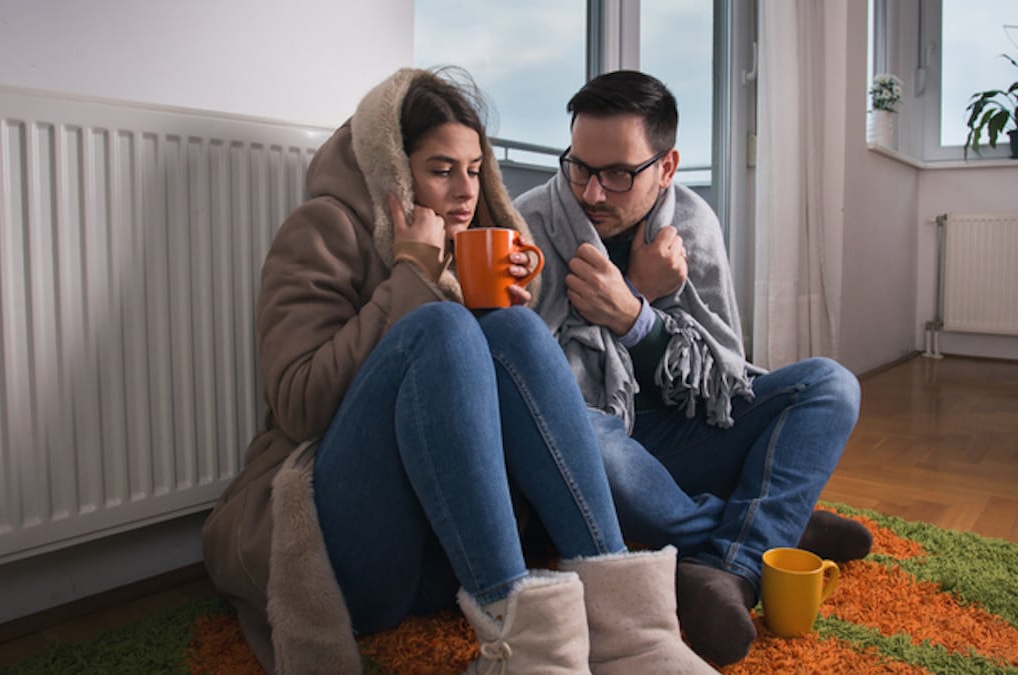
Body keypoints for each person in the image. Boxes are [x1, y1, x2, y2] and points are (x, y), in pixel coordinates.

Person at [200, 67, 715, 674]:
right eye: (441, 170)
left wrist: (490, 308)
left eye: (474, 170)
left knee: (514, 329)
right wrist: (411, 275)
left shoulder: (470, 240)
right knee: (441, 329)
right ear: (394, 169)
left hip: (444, 554)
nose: (466, 193)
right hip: (348, 547)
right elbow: (299, 403)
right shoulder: (324, 229)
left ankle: (631, 632)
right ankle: (518, 650)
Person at [514, 69, 872, 666]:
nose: (591, 193)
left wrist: (635, 315)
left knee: (831, 385)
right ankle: (763, 534)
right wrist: (636, 291)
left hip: (684, 439)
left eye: (619, 174)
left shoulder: (694, 226)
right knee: (581, 432)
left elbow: (721, 384)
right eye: (577, 166)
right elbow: (533, 385)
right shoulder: (531, 224)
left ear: (667, 167)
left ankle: (730, 560)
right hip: (598, 442)